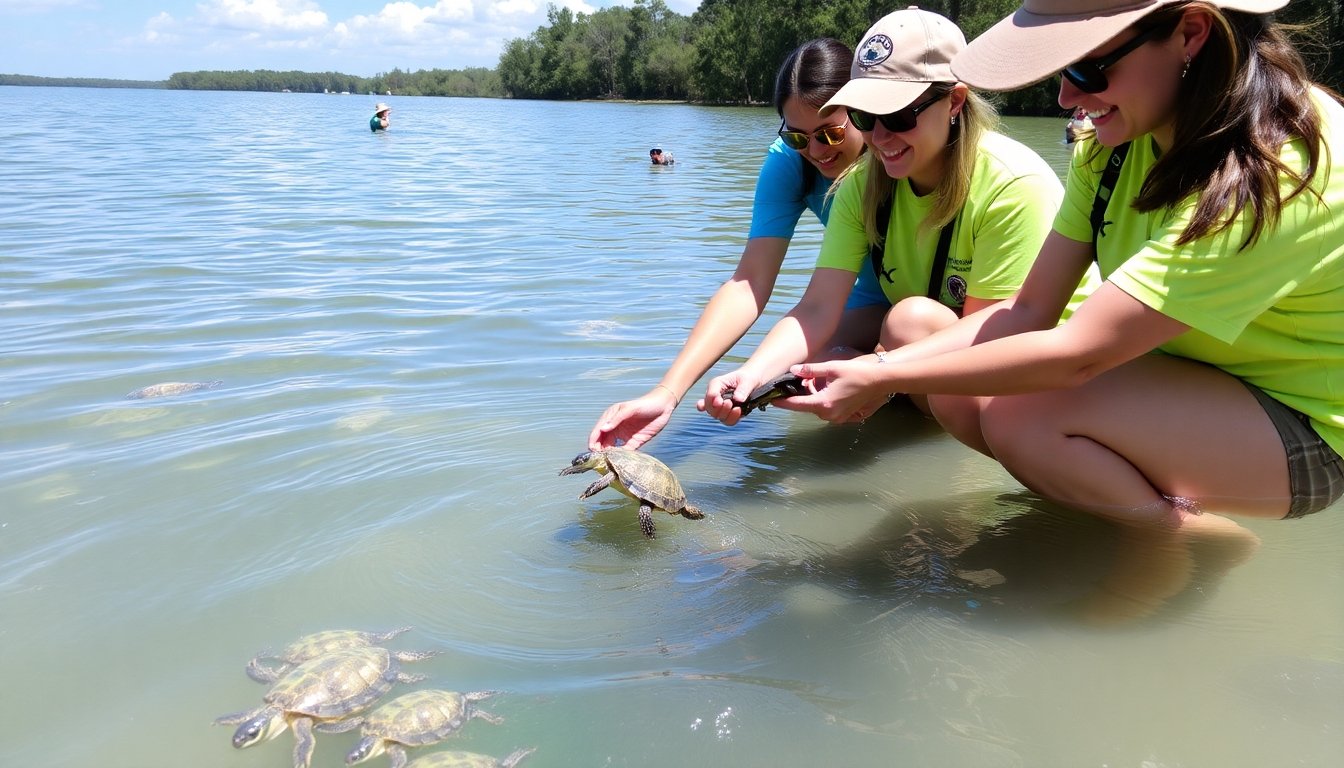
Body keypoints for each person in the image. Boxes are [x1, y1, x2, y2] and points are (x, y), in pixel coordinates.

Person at [774, 0, 1344, 529]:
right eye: (1063, 72)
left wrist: (880, 374)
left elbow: (1078, 355)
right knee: (993, 400)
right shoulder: (1112, 146)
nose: (1068, 101)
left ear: (1189, 35)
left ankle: (1191, 540)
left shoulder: (1280, 166)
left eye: (1088, 71)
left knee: (1025, 414)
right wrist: (875, 369)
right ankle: (1130, 510)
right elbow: (1027, 311)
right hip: (1189, 384)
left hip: (1308, 438)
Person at [701, 8, 1071, 426]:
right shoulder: (860, 184)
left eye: (897, 116)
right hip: (934, 349)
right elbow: (817, 308)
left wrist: (881, 372)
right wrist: (752, 375)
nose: (879, 137)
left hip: (1036, 368)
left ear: (954, 100)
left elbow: (993, 333)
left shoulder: (1011, 183)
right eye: (865, 116)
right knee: (808, 370)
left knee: (908, 324)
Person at [587, 39, 868, 451]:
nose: (815, 151)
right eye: (797, 137)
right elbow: (749, 282)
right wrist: (668, 392)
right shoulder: (790, 163)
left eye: (831, 133)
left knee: (903, 329)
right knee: (802, 373)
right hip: (864, 300)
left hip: (923, 308)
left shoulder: (897, 153)